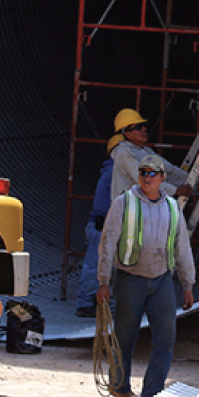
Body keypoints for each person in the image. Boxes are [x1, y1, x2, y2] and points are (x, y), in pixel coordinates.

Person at [97, 154, 196, 397]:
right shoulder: (125, 203)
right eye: (143, 172)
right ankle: (120, 387)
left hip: (161, 280)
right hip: (131, 279)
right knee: (124, 338)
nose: (147, 177)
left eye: (153, 173)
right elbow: (107, 243)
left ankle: (152, 394)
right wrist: (104, 281)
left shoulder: (172, 207)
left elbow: (181, 248)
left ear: (163, 178)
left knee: (166, 337)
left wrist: (188, 285)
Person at [75, 133, 123, 317]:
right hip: (101, 226)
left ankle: (97, 301)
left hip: (103, 225)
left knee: (104, 265)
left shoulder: (113, 171)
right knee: (95, 265)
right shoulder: (114, 172)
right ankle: (86, 303)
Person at [110, 108, 193, 202]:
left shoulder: (145, 151)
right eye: (138, 127)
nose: (144, 129)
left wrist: (195, 181)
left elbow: (169, 170)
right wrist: (174, 191)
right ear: (128, 134)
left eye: (144, 126)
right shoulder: (125, 153)